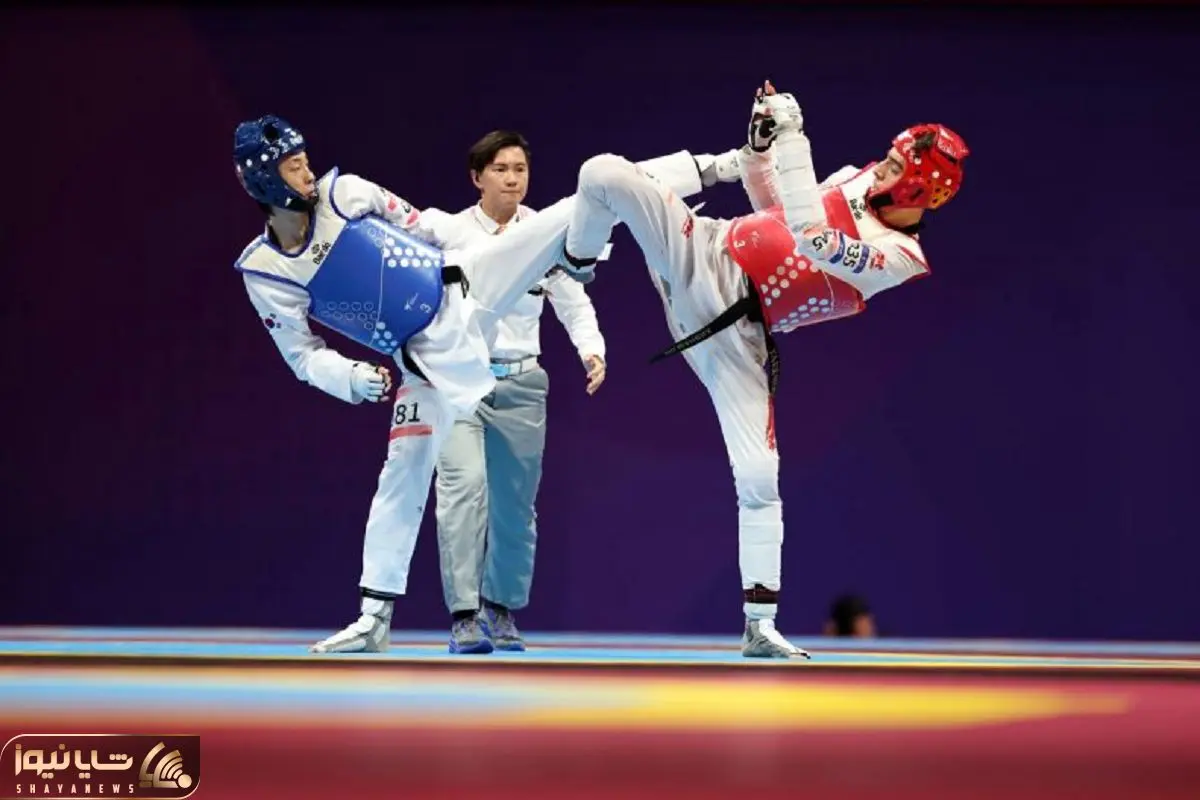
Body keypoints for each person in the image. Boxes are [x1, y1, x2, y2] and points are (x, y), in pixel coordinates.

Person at [229, 115, 725, 654]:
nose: (308, 173)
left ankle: (715, 166)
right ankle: (374, 619)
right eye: (294, 167)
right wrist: (350, 377)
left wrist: (532, 261)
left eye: (305, 162)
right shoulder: (267, 272)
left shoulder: (344, 193)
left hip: (466, 296)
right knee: (402, 477)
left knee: (579, 201)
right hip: (426, 365)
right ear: (264, 179)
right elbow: (302, 355)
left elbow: (419, 226)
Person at [555, 81, 970, 658]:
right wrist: (759, 150)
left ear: (922, 188)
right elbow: (775, 204)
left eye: (897, 167)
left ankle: (759, 624)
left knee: (757, 475)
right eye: (889, 157)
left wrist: (795, 138)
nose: (881, 168)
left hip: (734, 333)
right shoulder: (857, 176)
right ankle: (575, 263)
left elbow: (814, 240)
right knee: (603, 172)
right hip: (702, 249)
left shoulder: (903, 258)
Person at [433, 130, 607, 654]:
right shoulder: (449, 232)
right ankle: (464, 616)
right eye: (501, 169)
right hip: (460, 384)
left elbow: (573, 300)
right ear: (477, 177)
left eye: (520, 169)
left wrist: (592, 350)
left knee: (515, 505)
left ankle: (499, 607)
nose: (512, 179)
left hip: (523, 383)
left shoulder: (545, 232)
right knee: (463, 492)